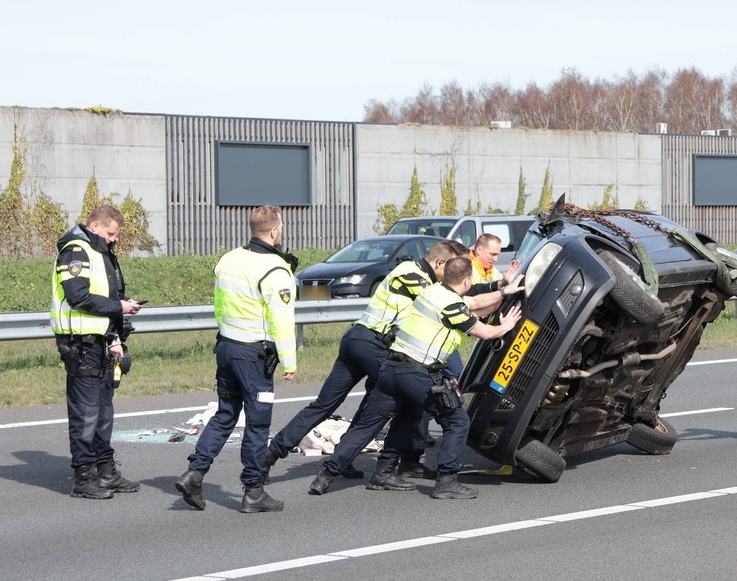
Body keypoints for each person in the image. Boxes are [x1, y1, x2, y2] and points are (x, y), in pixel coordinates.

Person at [263, 239, 521, 481]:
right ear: (440, 263)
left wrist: (500, 286)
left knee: (330, 405)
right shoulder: (414, 275)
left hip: (357, 339)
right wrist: (502, 291)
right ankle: (406, 462)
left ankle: (275, 456)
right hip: (372, 344)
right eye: (450, 266)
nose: (452, 273)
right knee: (411, 395)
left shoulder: (421, 277)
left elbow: (465, 294)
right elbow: (464, 300)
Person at [175, 205, 298, 512]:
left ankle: (194, 473)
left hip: (227, 347)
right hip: (253, 356)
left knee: (226, 413)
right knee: (258, 423)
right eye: (281, 227)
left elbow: (219, 304)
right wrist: (289, 362)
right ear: (274, 231)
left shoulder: (228, 259)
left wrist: (228, 334)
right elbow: (282, 319)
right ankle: (254, 491)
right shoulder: (275, 269)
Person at [52, 205, 144, 499]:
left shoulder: (100, 252)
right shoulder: (75, 251)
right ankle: (84, 478)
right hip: (80, 344)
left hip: (101, 342)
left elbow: (107, 296)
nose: (115, 238)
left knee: (103, 412)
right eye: (111, 233)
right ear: (95, 227)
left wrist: (116, 337)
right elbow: (78, 297)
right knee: (86, 413)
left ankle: (105, 471)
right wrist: (119, 306)